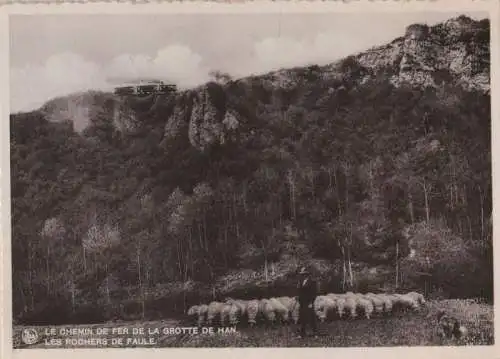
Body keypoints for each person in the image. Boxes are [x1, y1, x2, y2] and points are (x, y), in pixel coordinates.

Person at [296, 266, 319, 338]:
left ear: (307, 274)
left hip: (309, 302)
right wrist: (298, 297)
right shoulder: (300, 282)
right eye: (302, 274)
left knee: (312, 317)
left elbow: (314, 293)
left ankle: (315, 333)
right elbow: (301, 292)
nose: (302, 275)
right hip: (302, 302)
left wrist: (311, 302)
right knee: (302, 318)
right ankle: (302, 333)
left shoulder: (312, 282)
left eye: (304, 274)